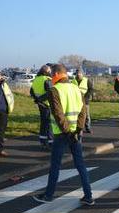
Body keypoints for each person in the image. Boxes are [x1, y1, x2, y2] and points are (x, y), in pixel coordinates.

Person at [33, 64, 94, 205]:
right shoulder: (76, 89)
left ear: (55, 75)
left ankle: (48, 195)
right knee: (80, 165)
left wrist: (67, 132)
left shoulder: (55, 90)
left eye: (52, 75)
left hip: (62, 134)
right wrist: (78, 130)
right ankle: (88, 196)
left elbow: (58, 115)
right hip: (75, 134)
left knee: (55, 165)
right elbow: (83, 112)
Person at [30, 65, 53, 149]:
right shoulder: (47, 80)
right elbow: (50, 93)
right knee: (50, 123)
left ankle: (42, 141)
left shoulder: (36, 79)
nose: (51, 72)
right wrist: (40, 100)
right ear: (46, 71)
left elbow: (31, 91)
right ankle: (51, 142)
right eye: (50, 70)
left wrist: (37, 100)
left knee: (43, 122)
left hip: (41, 105)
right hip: (47, 104)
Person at [72, 69, 94, 134]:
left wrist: (86, 97)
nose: (78, 75)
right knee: (77, 115)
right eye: (77, 73)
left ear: (82, 74)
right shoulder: (73, 81)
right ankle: (78, 128)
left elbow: (91, 89)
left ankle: (88, 127)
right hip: (76, 101)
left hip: (85, 101)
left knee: (86, 115)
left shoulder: (87, 80)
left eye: (79, 73)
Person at [0, 72, 14, 157]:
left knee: (1, 131)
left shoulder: (4, 84)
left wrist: (9, 107)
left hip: (3, 110)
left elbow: (9, 96)